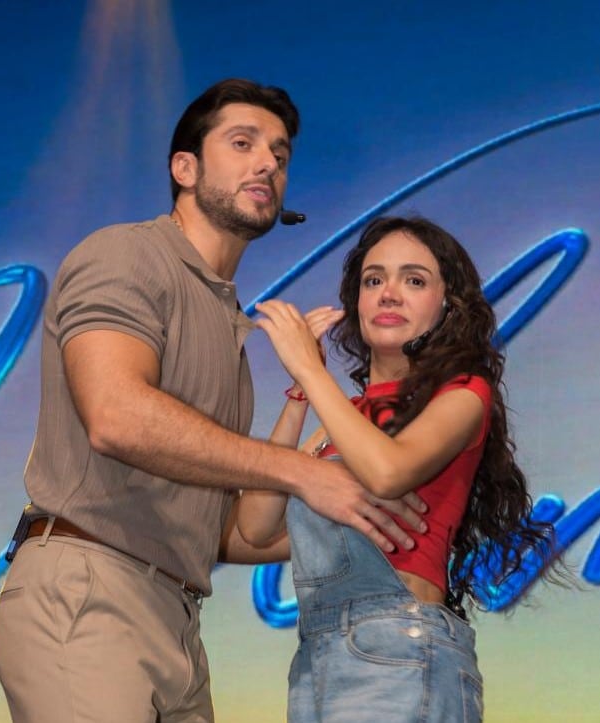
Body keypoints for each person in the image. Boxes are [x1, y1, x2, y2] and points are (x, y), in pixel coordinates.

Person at [0, 78, 426, 723]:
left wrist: (363, 515)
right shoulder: (127, 255)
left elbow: (221, 534)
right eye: (243, 143)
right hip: (89, 588)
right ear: (184, 168)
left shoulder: (229, 327)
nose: (268, 164)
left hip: (177, 620)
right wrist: (305, 472)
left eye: (279, 154)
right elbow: (116, 416)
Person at [236, 216, 553, 722]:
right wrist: (298, 396)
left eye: (414, 280)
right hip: (318, 656)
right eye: (374, 280)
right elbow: (254, 528)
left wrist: (311, 372)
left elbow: (388, 472)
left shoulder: (464, 393)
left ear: (447, 305)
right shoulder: (344, 418)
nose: (389, 294)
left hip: (399, 647)